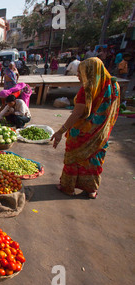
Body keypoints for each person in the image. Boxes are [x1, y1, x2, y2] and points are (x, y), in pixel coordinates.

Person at [50, 57, 120, 199]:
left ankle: (68, 187)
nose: (78, 76)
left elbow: (77, 113)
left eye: (81, 73)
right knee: (94, 161)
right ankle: (91, 189)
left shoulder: (87, 90)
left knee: (73, 158)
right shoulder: (114, 86)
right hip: (101, 132)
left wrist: (60, 131)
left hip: (82, 133)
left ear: (91, 73)